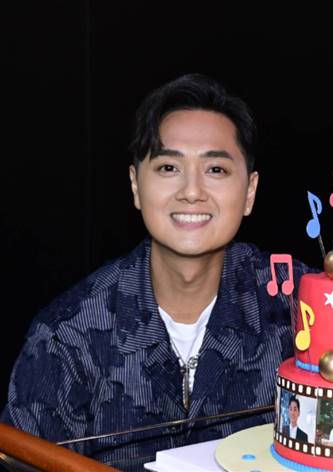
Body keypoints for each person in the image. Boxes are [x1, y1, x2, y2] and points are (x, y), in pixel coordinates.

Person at [2, 74, 310, 469]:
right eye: (168, 167)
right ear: (135, 185)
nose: (192, 192)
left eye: (216, 170)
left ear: (249, 192)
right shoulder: (68, 333)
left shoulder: (300, 304)